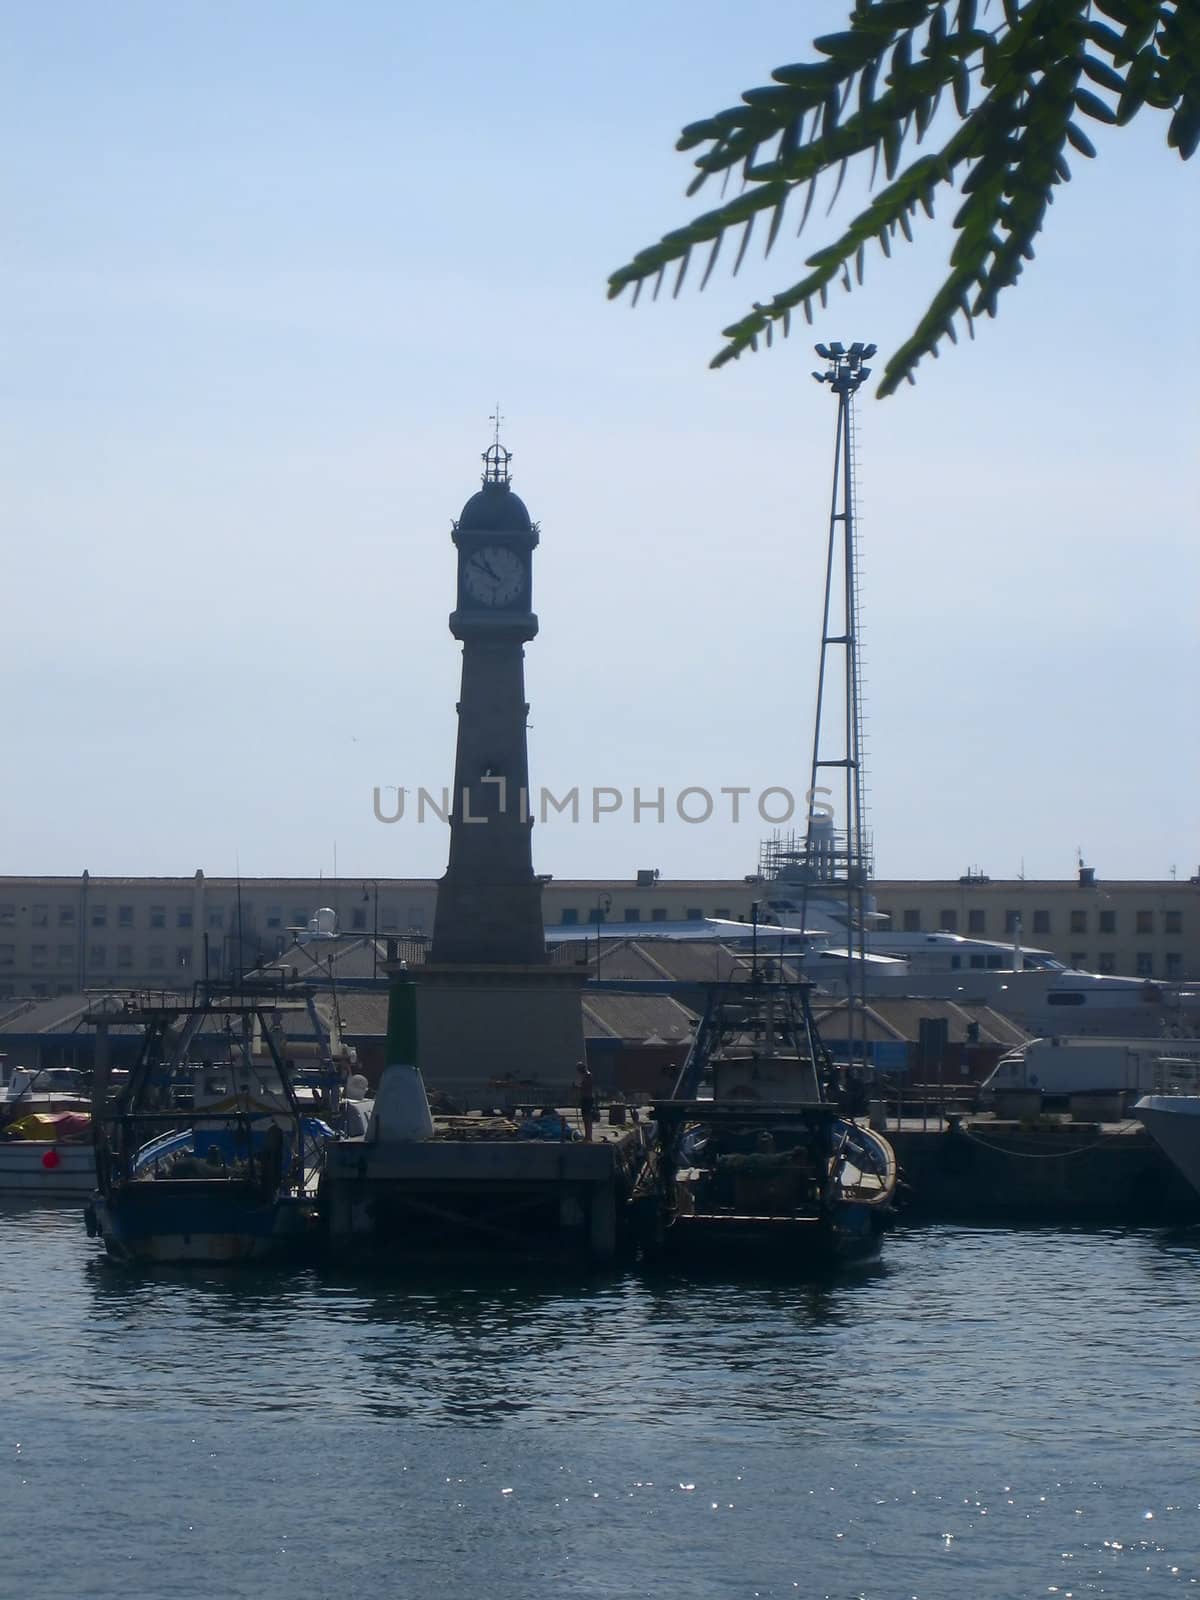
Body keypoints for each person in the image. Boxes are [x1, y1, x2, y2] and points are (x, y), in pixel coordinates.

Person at [575, 1060, 596, 1143]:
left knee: (587, 1118)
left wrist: (578, 1087)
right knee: (585, 1118)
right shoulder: (585, 1075)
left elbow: (585, 1086)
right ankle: (587, 1136)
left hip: (587, 1099)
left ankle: (588, 1137)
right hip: (585, 1098)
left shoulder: (587, 1075)